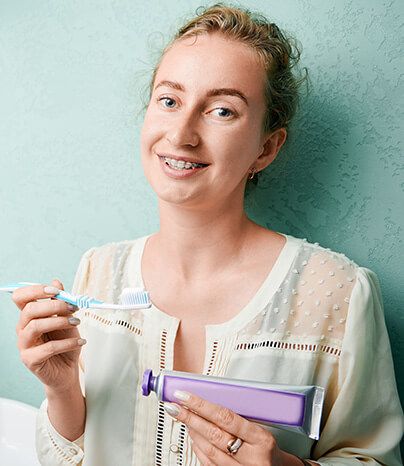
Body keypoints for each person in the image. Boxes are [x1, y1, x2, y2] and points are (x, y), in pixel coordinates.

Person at [12, 4, 403, 466]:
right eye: (170, 100)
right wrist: (60, 391)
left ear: (266, 147)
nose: (181, 134)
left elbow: (374, 457)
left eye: (222, 110)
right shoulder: (98, 271)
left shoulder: (338, 294)